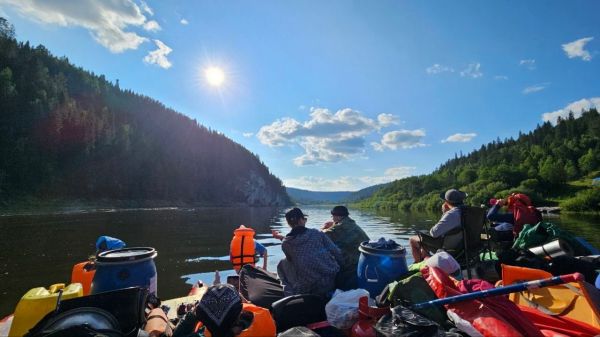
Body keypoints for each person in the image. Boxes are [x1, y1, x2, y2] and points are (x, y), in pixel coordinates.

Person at [272, 207, 343, 297]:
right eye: (304, 219)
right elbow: (336, 252)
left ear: (288, 223)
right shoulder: (317, 233)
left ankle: (290, 292)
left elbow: (292, 261)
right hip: (329, 282)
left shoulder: (286, 244)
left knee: (283, 263)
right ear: (302, 220)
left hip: (307, 287)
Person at [409, 189, 466, 263]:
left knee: (412, 239)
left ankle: (419, 264)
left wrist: (444, 213)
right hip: (466, 245)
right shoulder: (471, 212)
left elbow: (434, 233)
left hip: (450, 247)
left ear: (447, 202)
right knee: (425, 242)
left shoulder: (452, 214)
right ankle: (427, 259)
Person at [321, 205, 370, 290]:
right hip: (363, 259)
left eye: (333, 216)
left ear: (338, 216)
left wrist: (324, 227)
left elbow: (321, 236)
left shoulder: (341, 226)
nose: (332, 218)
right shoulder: (350, 223)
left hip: (353, 264)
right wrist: (333, 225)